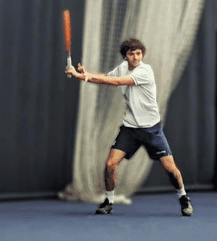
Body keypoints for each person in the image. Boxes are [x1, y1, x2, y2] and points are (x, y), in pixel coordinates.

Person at [67, 38, 192, 217]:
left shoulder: (145, 71)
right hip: (130, 129)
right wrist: (86, 73)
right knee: (110, 164)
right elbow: (107, 78)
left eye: (139, 53)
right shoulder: (123, 67)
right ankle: (109, 201)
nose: (136, 57)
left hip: (151, 129)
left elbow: (116, 82)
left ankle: (183, 197)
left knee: (171, 169)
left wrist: (81, 77)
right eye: (132, 54)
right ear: (125, 56)